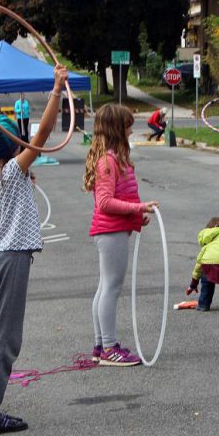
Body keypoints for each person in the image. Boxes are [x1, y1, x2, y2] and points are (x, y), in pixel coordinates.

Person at [0, 64, 68, 436]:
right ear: (16, 143)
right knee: (7, 337)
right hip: (12, 259)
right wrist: (57, 88)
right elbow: (43, 133)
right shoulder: (13, 170)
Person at [83, 103, 159, 366]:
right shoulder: (108, 162)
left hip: (114, 230)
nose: (131, 130)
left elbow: (120, 198)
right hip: (109, 231)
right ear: (117, 129)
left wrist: (136, 216)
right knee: (111, 288)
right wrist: (138, 207)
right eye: (127, 125)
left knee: (105, 286)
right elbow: (104, 202)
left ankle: (100, 344)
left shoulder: (113, 159)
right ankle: (108, 346)